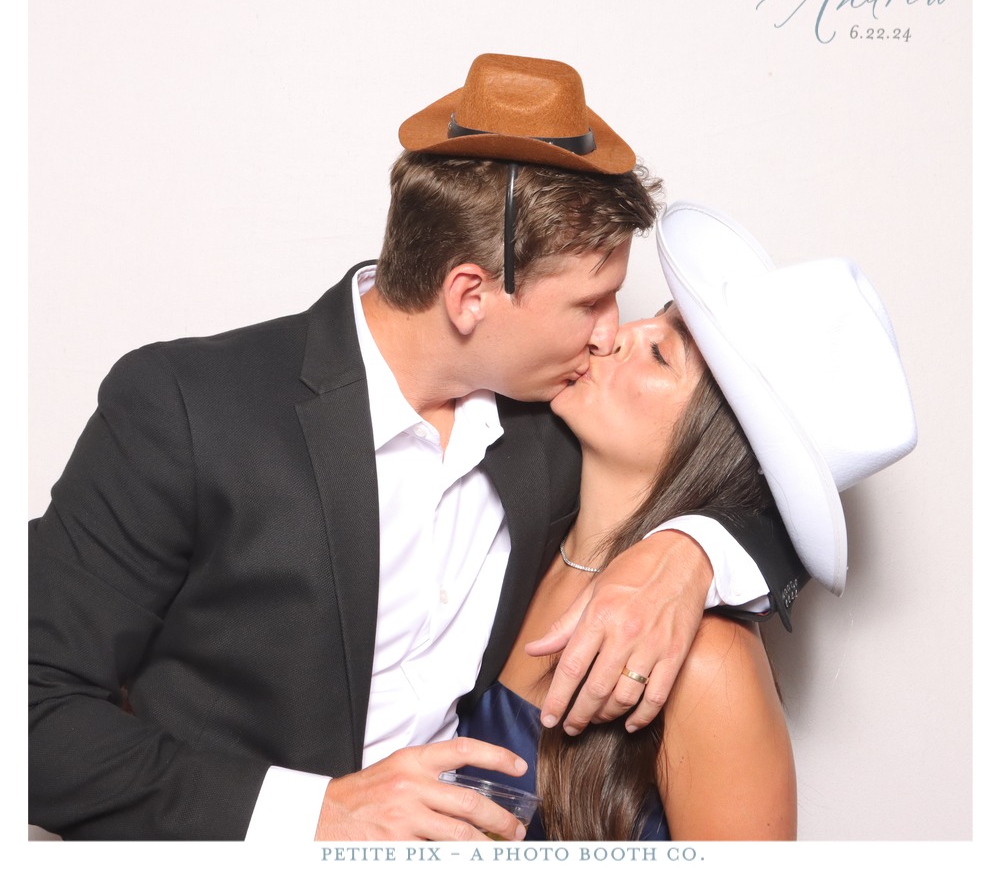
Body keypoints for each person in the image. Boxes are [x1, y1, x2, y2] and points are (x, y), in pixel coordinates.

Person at [29, 54, 807, 842]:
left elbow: (759, 469)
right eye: (590, 303)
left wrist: (688, 554)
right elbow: (28, 707)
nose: (611, 332)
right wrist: (313, 816)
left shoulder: (556, 427)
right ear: (469, 295)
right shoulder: (188, 408)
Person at [458, 201, 918, 840]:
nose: (613, 334)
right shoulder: (510, 535)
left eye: (659, 354)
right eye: (655, 317)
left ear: (714, 444)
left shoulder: (709, 665)